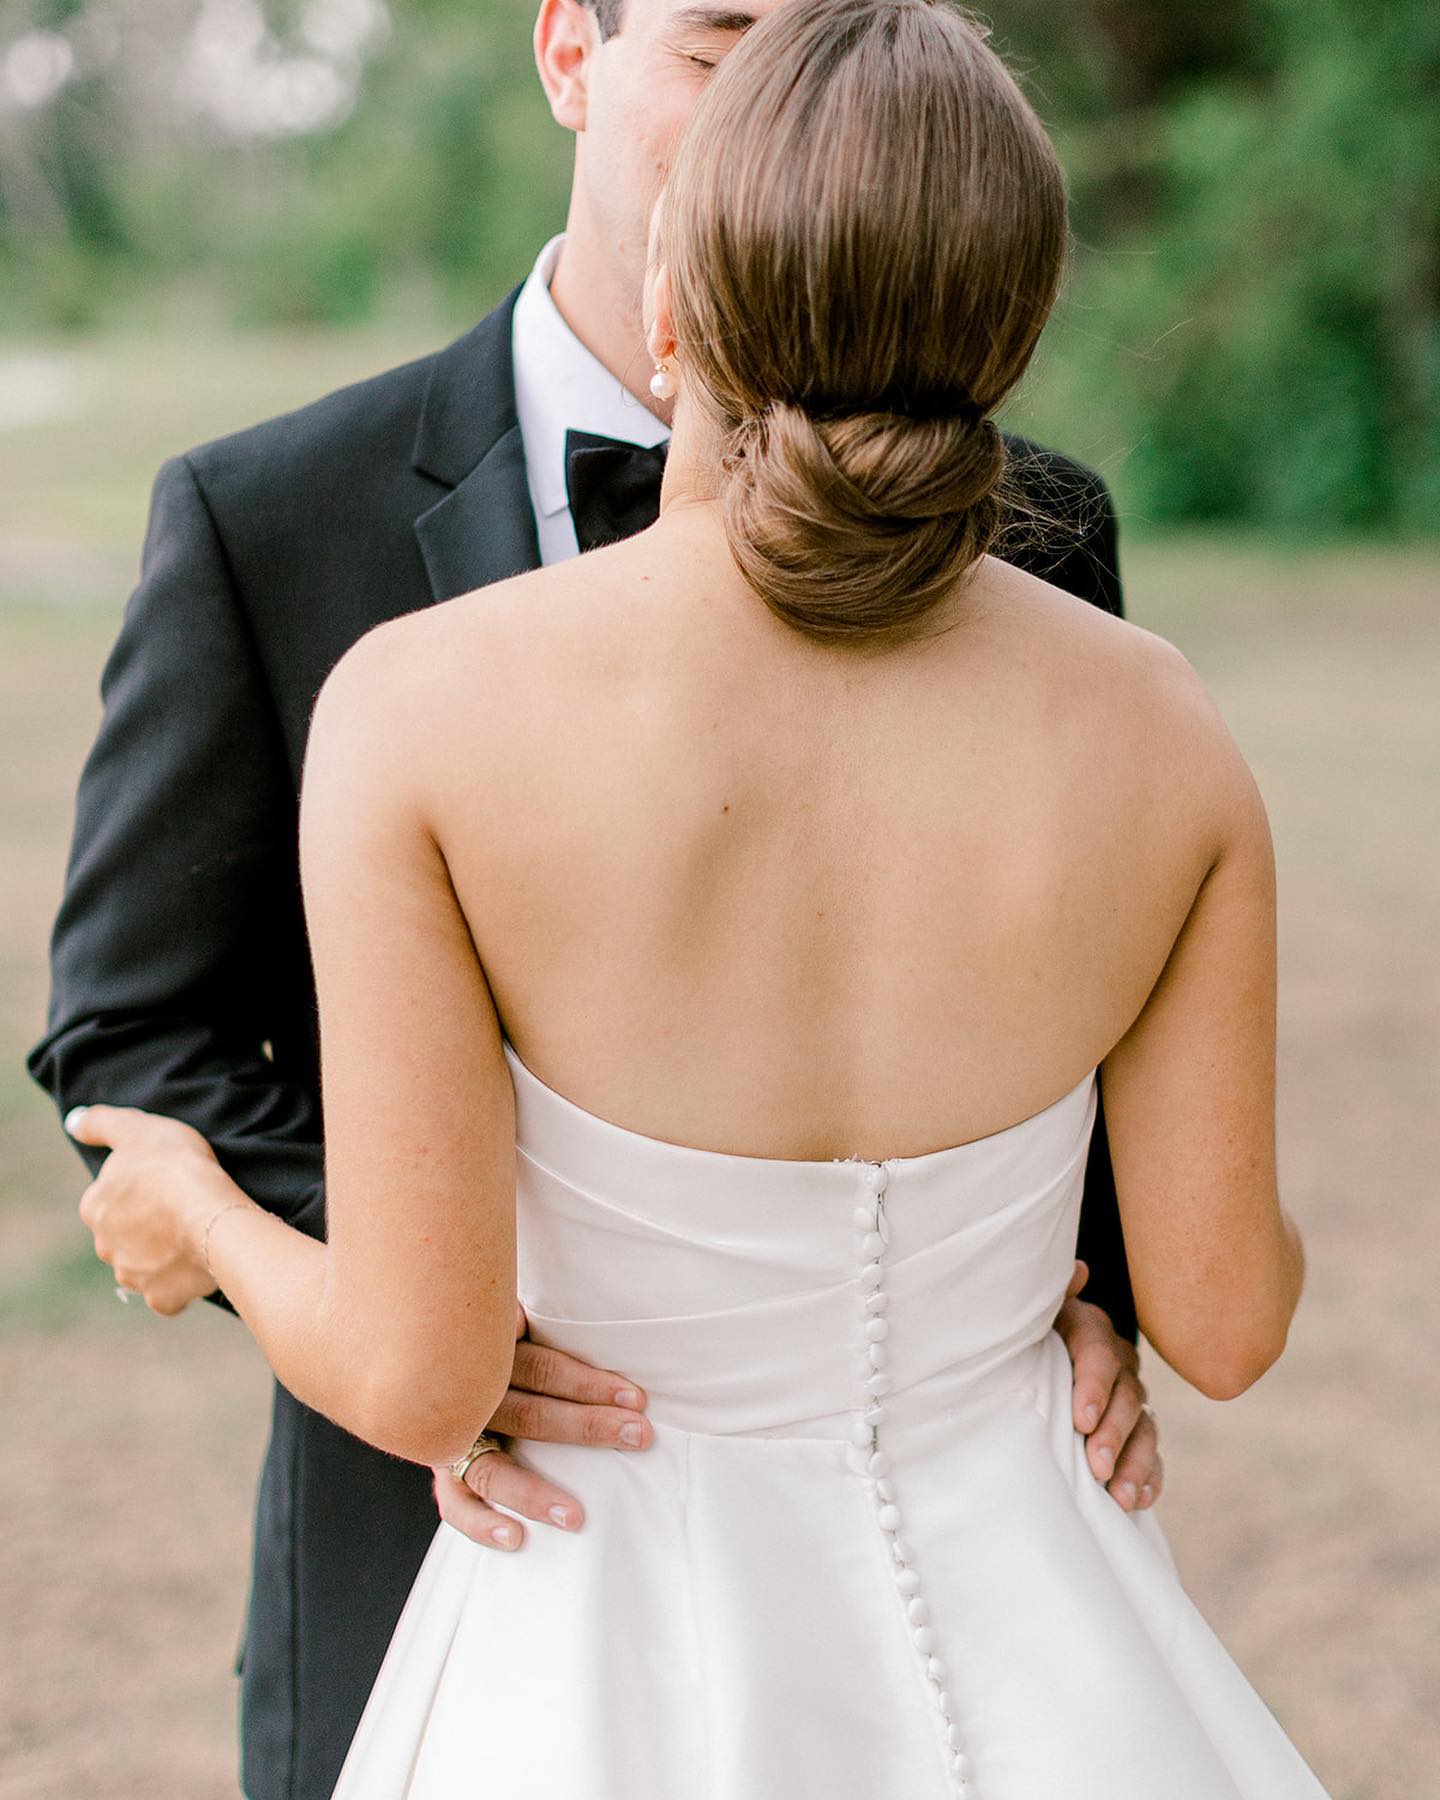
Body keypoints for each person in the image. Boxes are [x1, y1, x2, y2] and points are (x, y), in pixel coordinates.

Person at [60, 0, 1330, 1793]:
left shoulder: (419, 709)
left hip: (591, 1632)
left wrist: (198, 1212)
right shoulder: (1166, 726)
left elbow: (419, 1374)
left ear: (672, 312)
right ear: (1012, 325)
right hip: (1047, 1644)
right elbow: (1234, 1316)